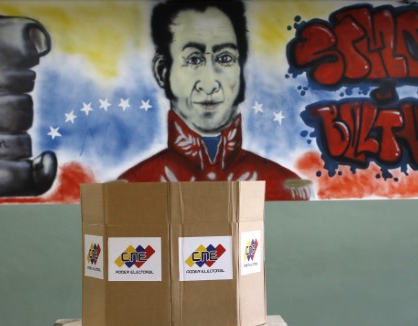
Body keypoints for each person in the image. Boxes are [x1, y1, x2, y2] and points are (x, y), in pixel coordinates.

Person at [118, 0, 311, 201]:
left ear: (241, 70)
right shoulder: (132, 188)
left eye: (225, 58)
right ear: (162, 71)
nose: (210, 84)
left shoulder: (283, 187)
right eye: (194, 59)